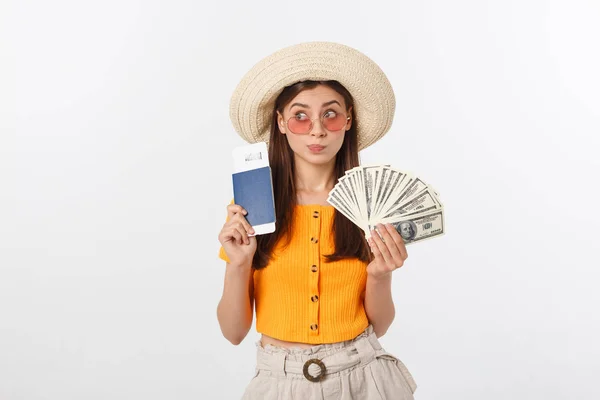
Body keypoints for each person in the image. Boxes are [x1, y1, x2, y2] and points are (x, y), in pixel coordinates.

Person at [217, 42, 417, 399]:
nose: (317, 130)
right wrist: (238, 264)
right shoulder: (252, 207)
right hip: (279, 382)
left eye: (331, 114)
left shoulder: (368, 206)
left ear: (349, 120)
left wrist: (380, 275)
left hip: (364, 378)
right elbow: (233, 332)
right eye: (300, 116)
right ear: (280, 122)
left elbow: (380, 326)